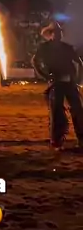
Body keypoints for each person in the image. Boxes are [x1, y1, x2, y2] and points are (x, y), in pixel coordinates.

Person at [32, 22, 83, 150]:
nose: (59, 34)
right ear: (51, 34)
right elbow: (35, 61)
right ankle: (57, 141)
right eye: (56, 32)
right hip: (56, 83)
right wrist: (45, 75)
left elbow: (79, 62)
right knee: (57, 112)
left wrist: (78, 78)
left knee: (78, 110)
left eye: (60, 32)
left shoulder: (67, 48)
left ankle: (81, 139)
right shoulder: (44, 47)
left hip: (69, 82)